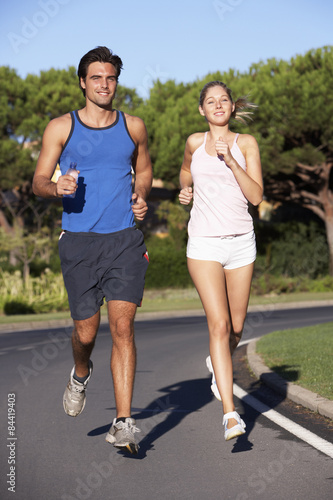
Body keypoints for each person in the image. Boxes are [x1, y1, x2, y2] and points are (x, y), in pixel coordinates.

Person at [32, 46, 153, 454]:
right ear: (83, 82)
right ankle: (81, 372)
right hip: (79, 242)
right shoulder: (60, 128)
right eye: (97, 77)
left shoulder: (133, 126)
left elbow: (145, 167)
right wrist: (56, 187)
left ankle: (123, 421)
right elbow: (37, 182)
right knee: (86, 332)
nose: (105, 84)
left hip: (123, 240)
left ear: (117, 81)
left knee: (123, 328)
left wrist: (140, 195)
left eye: (111, 77)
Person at [179, 81, 263, 441]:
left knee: (237, 327)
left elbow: (257, 196)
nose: (217, 105)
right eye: (210, 101)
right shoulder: (195, 143)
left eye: (223, 100)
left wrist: (231, 161)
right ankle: (230, 414)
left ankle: (218, 364)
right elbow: (185, 172)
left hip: (241, 243)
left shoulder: (246, 143)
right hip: (204, 245)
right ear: (202, 110)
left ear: (231, 107)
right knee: (219, 324)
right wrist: (185, 189)